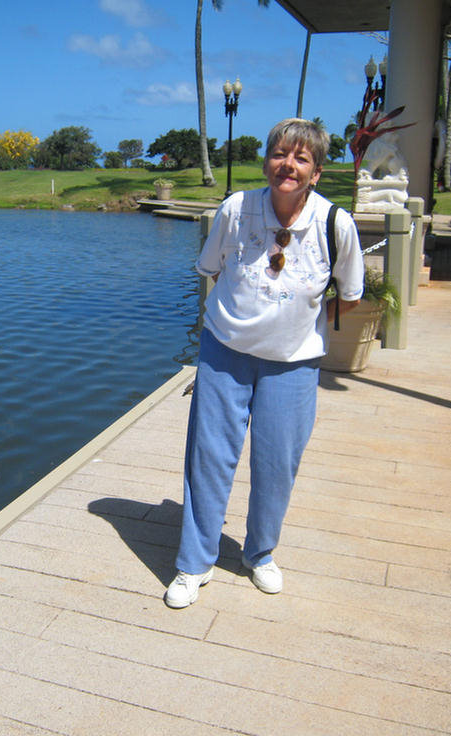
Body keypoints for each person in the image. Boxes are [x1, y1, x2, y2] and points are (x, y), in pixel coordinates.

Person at [165, 118, 365, 609]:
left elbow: (351, 296)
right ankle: (194, 564)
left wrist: (301, 326)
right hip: (224, 354)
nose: (288, 166)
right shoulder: (235, 209)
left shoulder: (335, 224)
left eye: (301, 159)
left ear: (316, 171)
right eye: (280, 154)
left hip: (292, 366)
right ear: (267, 161)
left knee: (277, 465)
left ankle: (259, 554)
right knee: (208, 460)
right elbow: (209, 270)